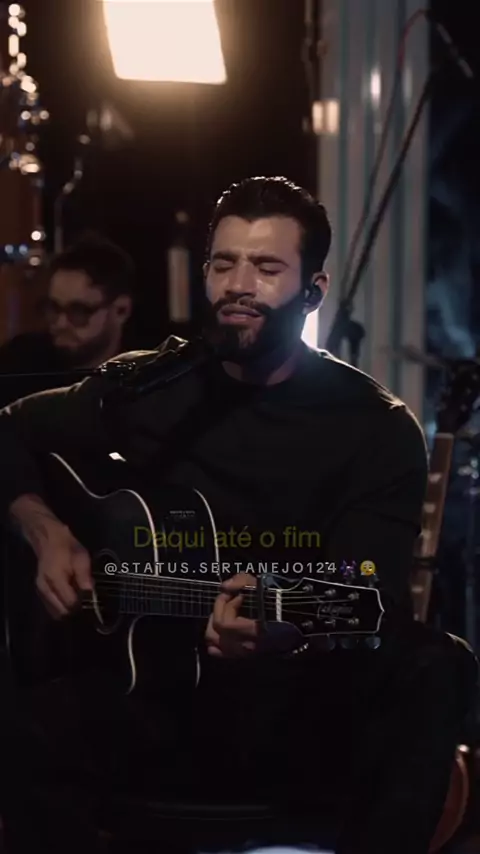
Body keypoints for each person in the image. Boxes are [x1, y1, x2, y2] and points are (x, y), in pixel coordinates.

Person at [0, 176, 477, 854]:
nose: (238, 285)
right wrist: (44, 530)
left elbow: (368, 591)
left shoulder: (374, 426)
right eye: (224, 264)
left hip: (298, 708)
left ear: (313, 291)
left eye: (267, 267)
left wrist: (287, 623)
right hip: (157, 695)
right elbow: (10, 431)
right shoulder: (147, 386)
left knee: (437, 664)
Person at [0, 233, 136, 407]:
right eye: (54, 308)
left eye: (78, 311)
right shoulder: (18, 362)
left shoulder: (145, 376)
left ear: (121, 310)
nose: (61, 323)